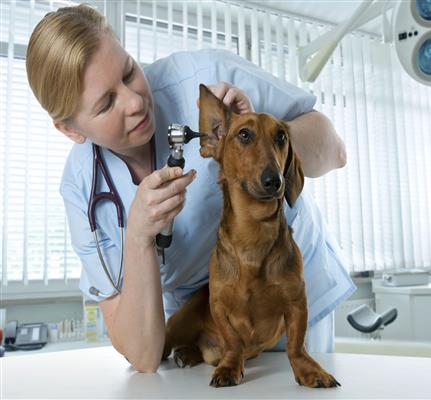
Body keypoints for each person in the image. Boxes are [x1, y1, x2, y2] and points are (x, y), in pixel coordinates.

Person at [26, 4, 356, 373]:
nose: (135, 101)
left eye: (130, 72)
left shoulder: (205, 80)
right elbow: (142, 355)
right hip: (205, 325)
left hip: (288, 297)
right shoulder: (81, 190)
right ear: (71, 130)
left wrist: (256, 143)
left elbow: (334, 150)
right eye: (106, 104)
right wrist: (138, 237)